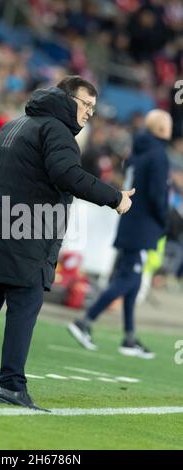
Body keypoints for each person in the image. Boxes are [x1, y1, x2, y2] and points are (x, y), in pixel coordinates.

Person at [0, 76, 134, 410]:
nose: (89, 114)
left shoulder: (15, 125)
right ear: (67, 100)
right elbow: (67, 175)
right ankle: (11, 385)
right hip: (27, 235)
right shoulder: (57, 132)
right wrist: (115, 198)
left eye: (93, 109)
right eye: (86, 105)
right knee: (24, 305)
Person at [68, 109, 172, 359]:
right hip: (143, 225)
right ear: (159, 128)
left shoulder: (139, 149)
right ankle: (85, 321)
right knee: (129, 279)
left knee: (132, 280)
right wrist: (164, 221)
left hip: (131, 221)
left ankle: (129, 337)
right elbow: (158, 196)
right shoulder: (158, 155)